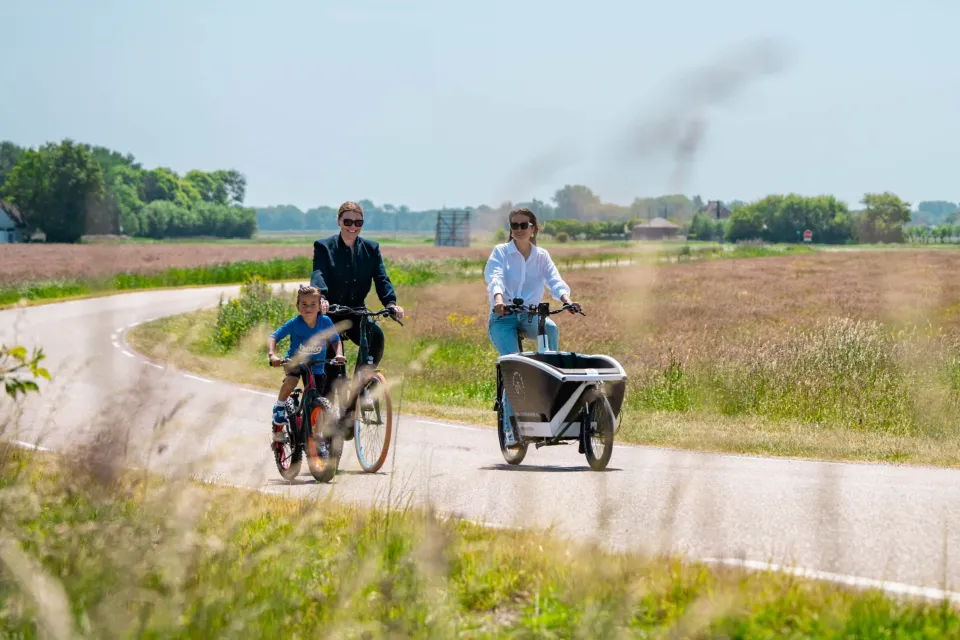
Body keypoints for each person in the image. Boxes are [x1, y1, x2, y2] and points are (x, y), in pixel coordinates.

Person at [484, 207, 580, 447]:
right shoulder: (501, 252)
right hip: (503, 317)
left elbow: (554, 281)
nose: (518, 229)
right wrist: (498, 300)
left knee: (551, 328)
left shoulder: (542, 256)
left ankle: (549, 382)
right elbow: (495, 277)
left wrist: (566, 300)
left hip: (530, 315)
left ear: (533, 229)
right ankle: (511, 431)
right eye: (514, 225)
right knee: (513, 366)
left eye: (523, 225)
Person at [309, 200, 405, 399]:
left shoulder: (371, 248)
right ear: (339, 221)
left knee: (375, 337)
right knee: (331, 374)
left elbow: (381, 278)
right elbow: (318, 273)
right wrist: (321, 297)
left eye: (358, 222)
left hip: (356, 312)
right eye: (348, 221)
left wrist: (391, 303)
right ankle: (327, 406)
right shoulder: (324, 247)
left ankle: (359, 388)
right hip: (330, 313)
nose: (352, 227)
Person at [266, 284, 346, 444]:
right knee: (292, 380)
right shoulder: (295, 323)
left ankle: (312, 431)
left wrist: (338, 354)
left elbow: (336, 340)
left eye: (312, 304)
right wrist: (272, 354)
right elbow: (273, 337)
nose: (308, 308)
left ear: (320, 307)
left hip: (316, 366)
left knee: (316, 398)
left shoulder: (325, 322)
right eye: (304, 304)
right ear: (298, 306)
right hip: (295, 362)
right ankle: (280, 406)